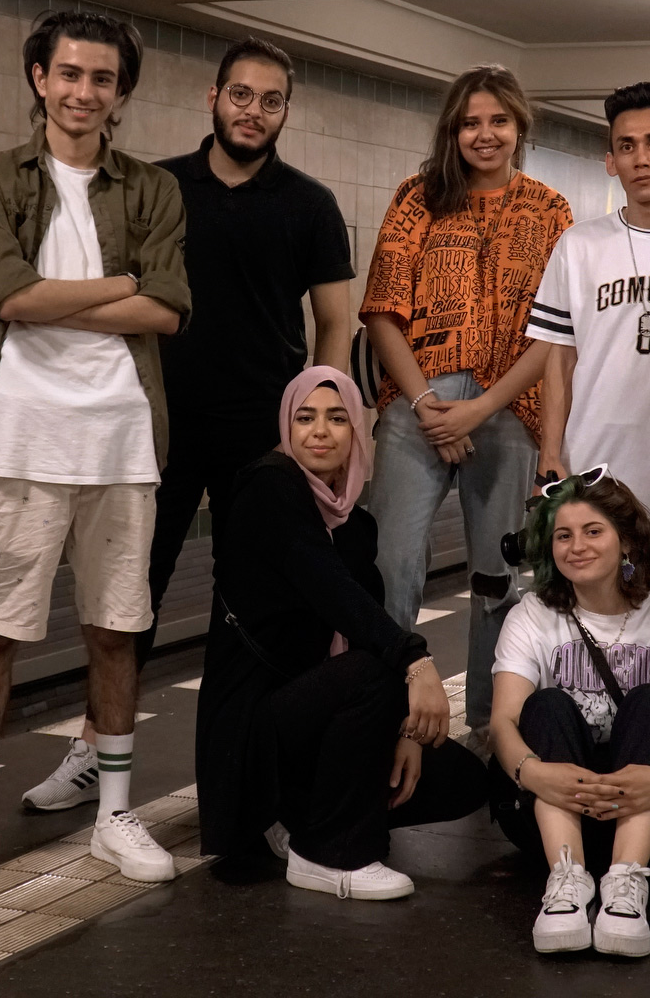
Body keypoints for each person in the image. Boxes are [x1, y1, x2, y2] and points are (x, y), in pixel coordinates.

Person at [24, 36, 355, 813]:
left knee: (256, 604)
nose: (254, 111)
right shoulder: (158, 187)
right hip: (155, 428)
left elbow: (335, 323)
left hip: (264, 439)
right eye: (241, 94)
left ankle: (250, 762)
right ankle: (93, 749)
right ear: (213, 98)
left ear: (285, 112)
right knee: (128, 597)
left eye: (271, 100)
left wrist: (319, 423)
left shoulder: (310, 205)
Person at [0, 10, 189, 891]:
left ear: (121, 93)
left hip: (121, 440)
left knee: (117, 631)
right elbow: (6, 295)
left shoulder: (152, 190)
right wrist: (120, 284)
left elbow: (169, 309)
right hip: (20, 437)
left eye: (102, 79)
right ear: (40, 79)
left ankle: (114, 814)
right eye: (70, 74)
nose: (84, 92)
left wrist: (58, 296)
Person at [195, 367, 488, 899]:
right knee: (373, 671)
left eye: (337, 418)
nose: (320, 431)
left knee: (460, 778)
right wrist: (416, 661)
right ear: (286, 427)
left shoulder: (354, 524)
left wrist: (405, 731)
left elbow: (365, 619)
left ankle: (302, 816)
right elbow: (331, 590)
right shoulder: (269, 486)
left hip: (315, 718)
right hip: (253, 729)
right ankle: (327, 852)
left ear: (356, 431)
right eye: (304, 418)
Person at [361, 65, 574, 734]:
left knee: (498, 575)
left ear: (519, 127)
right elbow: (382, 311)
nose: (485, 134)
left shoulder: (550, 210)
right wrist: (427, 405)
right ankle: (385, 711)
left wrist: (481, 410)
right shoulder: (416, 198)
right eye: (470, 123)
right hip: (417, 403)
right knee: (391, 561)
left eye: (498, 121)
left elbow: (555, 333)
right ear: (451, 131)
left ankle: (489, 724)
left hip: (508, 409)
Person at [486, 470, 650, 958]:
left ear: (627, 540)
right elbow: (503, 722)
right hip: (554, 807)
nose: (577, 547)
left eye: (593, 531)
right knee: (545, 704)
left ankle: (626, 885)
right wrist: (535, 773)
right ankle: (566, 881)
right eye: (563, 536)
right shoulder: (531, 614)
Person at [531, 81, 650, 604]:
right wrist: (550, 455)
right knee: (586, 625)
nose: (641, 158)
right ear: (610, 161)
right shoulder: (578, 246)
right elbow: (559, 359)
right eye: (627, 146)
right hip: (593, 480)